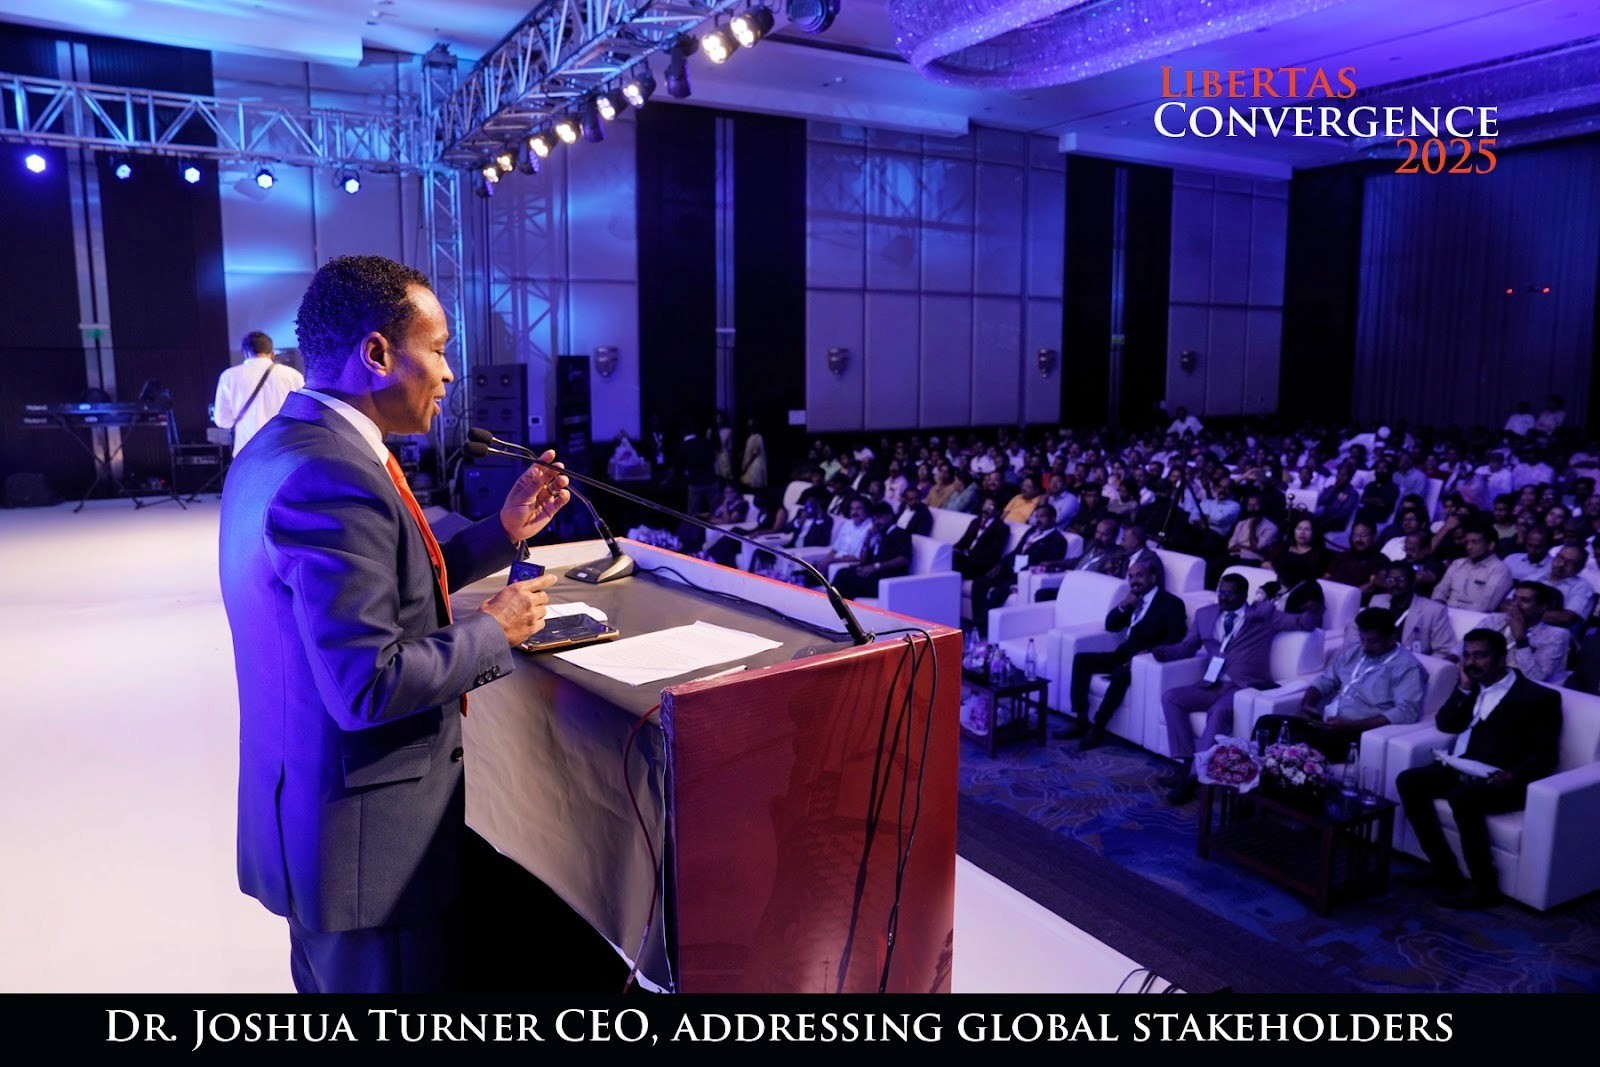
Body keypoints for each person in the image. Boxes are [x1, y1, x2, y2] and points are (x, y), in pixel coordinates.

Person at [219, 256, 571, 993]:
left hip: (317, 834)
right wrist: (494, 629)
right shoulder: (337, 475)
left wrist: (499, 530)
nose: (448, 374)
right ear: (377, 353)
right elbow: (367, 685)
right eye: (438, 349)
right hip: (371, 858)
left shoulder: (279, 449)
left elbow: (369, 582)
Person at [1396, 629, 1561, 909]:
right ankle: (1444, 868)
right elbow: (1446, 724)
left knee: (1464, 797)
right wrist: (1463, 688)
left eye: (1480, 656)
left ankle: (1485, 887)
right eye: (1467, 656)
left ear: (1501, 659)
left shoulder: (1538, 697)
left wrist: (1515, 774)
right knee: (1409, 780)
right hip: (1463, 766)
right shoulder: (1471, 686)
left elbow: (1546, 754)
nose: (1472, 662)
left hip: (1505, 779)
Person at [1154, 575, 1323, 803]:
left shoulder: (1263, 614)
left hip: (1243, 685)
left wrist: (1312, 611)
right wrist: (1165, 652)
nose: (1223, 597)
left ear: (1243, 595)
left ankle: (1194, 779)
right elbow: (1188, 647)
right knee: (1172, 697)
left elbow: (1302, 623)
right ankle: (1185, 763)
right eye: (1220, 592)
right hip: (1213, 683)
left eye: (1229, 593)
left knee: (1219, 712)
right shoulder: (1205, 615)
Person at [1254, 607, 1426, 764]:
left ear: (1391, 638)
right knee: (1266, 724)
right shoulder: (1355, 651)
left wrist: (1351, 726)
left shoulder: (1407, 666)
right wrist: (1308, 704)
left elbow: (1406, 711)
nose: (1365, 647)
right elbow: (1326, 680)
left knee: (1297, 743)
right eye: (1362, 639)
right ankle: (1251, 777)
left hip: (1357, 733)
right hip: (1327, 722)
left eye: (1373, 641)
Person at [1055, 558, 1187, 750]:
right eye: (1131, 576)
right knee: (1082, 660)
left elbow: (1176, 638)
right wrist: (1124, 605)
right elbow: (1111, 625)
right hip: (1122, 654)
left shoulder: (1171, 603)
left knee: (1121, 674)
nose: (1134, 581)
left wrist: (1147, 654)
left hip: (1143, 662)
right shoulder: (1133, 598)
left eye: (1140, 576)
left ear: (1153, 577)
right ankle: (1081, 719)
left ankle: (1098, 727)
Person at [969, 504, 1067, 636]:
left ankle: (983, 629)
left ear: (1053, 518)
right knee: (979, 583)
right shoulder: (1032, 531)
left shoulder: (1058, 540)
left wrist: (1023, 574)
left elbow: (1045, 564)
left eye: (1042, 516)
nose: (1038, 520)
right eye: (1036, 516)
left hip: (1024, 576)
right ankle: (977, 625)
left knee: (998, 592)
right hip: (1009, 570)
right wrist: (1000, 565)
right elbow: (1016, 551)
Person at [213, 330, 306, 455]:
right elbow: (303, 414)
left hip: (246, 454)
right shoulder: (293, 376)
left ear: (245, 353)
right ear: (272, 354)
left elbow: (222, 421)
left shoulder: (229, 376)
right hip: (283, 451)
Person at [1471, 581, 1571, 684]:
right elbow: (1462, 649)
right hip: (1481, 680)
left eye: (1525, 600)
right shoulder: (1495, 619)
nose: (1515, 604)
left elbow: (1535, 678)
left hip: (1522, 691)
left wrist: (1521, 639)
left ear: (1542, 607)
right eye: (1514, 598)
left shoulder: (1555, 636)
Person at [1363, 561, 1457, 660]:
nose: (1394, 584)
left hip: (1412, 666)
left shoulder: (1434, 610)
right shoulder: (1377, 601)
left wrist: (1421, 669)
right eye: (1390, 580)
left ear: (1412, 581)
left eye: (1400, 580)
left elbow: (1444, 651)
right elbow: (1356, 629)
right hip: (1376, 660)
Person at [832, 502, 913, 600]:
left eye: (879, 517)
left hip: (887, 578)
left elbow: (903, 559)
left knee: (844, 579)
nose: (876, 522)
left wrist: (876, 567)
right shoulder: (881, 534)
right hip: (874, 574)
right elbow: (862, 560)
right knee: (842, 572)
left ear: (890, 516)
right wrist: (867, 539)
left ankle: (832, 606)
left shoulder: (900, 533)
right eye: (874, 519)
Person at [1431, 522, 1514, 612]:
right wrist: (1438, 607)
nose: (1469, 547)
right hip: (1444, 613)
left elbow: (1486, 606)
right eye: (1467, 542)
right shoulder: (1458, 563)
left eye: (1475, 542)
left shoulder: (1500, 569)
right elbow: (1440, 590)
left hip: (1473, 619)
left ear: (1491, 545)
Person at [952, 497, 1009, 580]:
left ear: (998, 512)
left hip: (980, 564)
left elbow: (993, 553)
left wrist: (967, 554)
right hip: (964, 559)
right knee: (948, 557)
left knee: (954, 562)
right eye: (985, 505)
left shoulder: (1002, 528)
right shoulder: (975, 521)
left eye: (990, 507)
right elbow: (963, 541)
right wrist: (953, 549)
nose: (985, 509)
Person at [740, 416, 767, 490]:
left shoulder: (758, 437)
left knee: (754, 484)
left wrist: (746, 465)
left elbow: (755, 453)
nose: (750, 427)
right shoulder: (750, 437)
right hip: (750, 463)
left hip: (754, 464)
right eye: (749, 425)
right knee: (748, 484)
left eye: (752, 425)